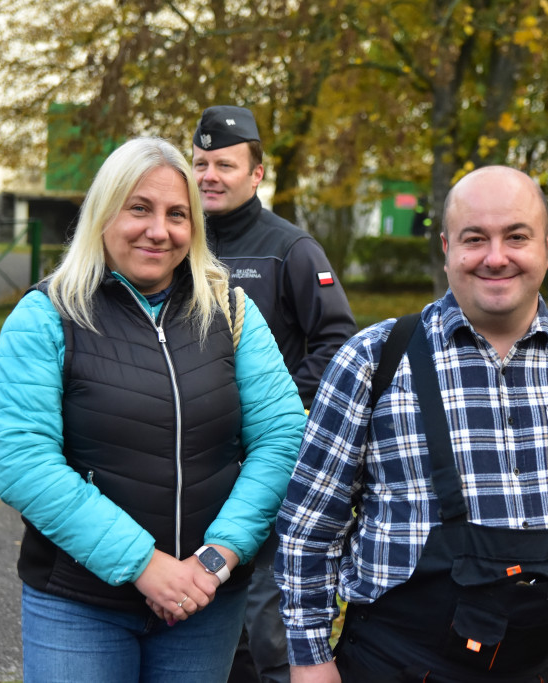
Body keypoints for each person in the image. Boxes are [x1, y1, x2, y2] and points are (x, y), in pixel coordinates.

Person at [275, 165, 548, 683]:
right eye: (474, 239)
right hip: (392, 665)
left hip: (544, 669)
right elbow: (310, 527)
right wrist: (310, 658)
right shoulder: (371, 362)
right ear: (446, 248)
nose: (495, 257)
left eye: (516, 236)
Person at [0, 136, 307, 682]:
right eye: (140, 208)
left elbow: (282, 435)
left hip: (206, 604)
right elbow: (23, 462)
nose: (159, 230)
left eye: (177, 214)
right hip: (79, 604)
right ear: (104, 212)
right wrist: (144, 565)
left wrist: (217, 557)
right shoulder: (46, 315)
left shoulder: (229, 310)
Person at [191, 105, 357, 683]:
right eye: (201, 163)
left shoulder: (291, 249)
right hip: (194, 460)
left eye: (225, 165)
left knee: (268, 617)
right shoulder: (175, 244)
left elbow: (337, 341)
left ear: (257, 174)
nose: (210, 175)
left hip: (266, 460)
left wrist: (273, 403)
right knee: (205, 606)